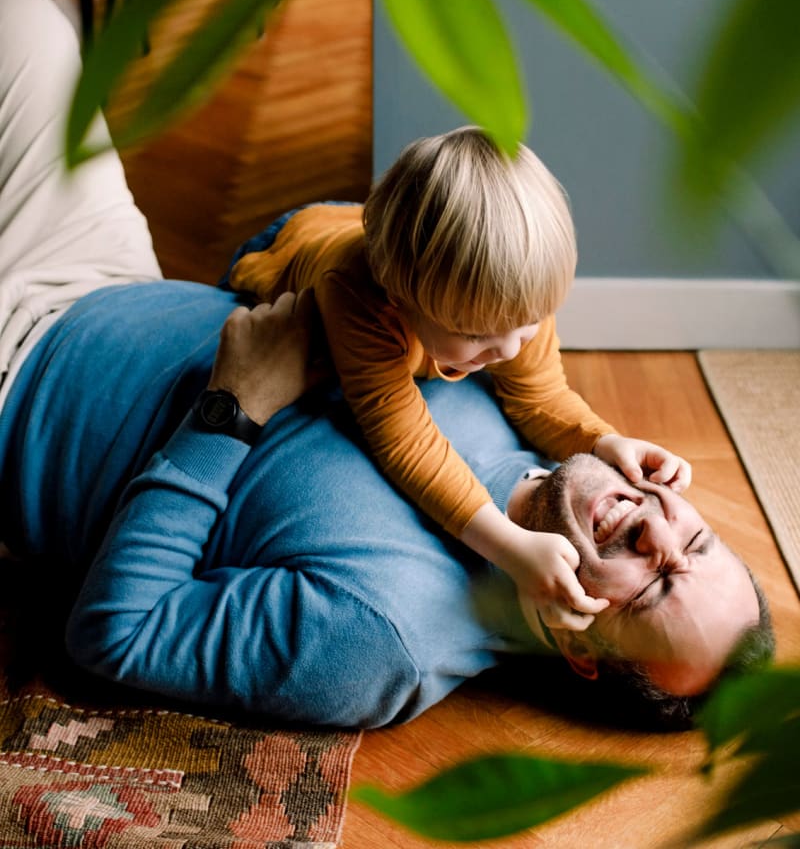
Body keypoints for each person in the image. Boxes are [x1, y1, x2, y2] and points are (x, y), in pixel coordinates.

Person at [0, 0, 772, 732]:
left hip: (15, 391)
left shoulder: (381, 635)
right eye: (695, 542)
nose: (656, 537)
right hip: (102, 275)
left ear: (580, 646)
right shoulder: (557, 452)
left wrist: (229, 410)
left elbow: (114, 633)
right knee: (25, 24)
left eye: (654, 587)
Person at [225, 130, 692, 637]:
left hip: (371, 226)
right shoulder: (356, 297)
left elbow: (539, 397)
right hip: (296, 241)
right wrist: (509, 547)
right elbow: (404, 441)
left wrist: (604, 441)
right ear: (399, 298)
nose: (510, 349)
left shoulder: (512, 300)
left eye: (530, 323)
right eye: (476, 335)